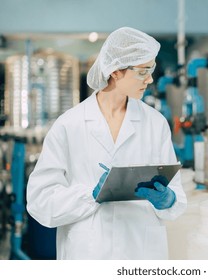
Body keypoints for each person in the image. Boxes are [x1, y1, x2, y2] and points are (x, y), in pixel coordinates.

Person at [26, 27, 187, 260]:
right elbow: (40, 201)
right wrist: (90, 195)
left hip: (140, 253)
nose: (150, 79)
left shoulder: (155, 123)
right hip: (88, 254)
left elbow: (178, 196)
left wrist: (168, 199)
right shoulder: (69, 125)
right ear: (116, 72)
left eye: (151, 70)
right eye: (143, 71)